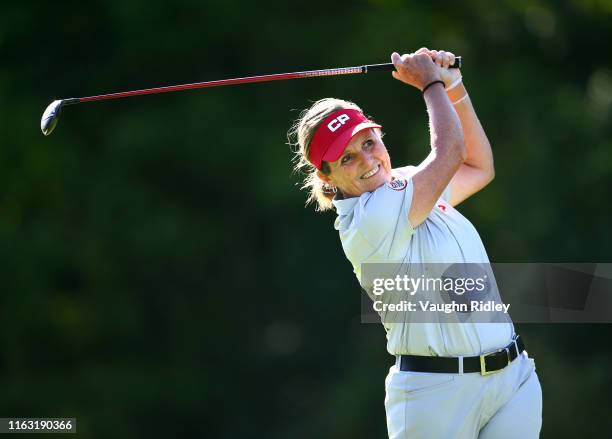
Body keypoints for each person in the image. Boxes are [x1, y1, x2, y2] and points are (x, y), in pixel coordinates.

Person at [288, 48, 543, 438]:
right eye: (347, 158)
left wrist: (453, 86)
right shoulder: (368, 221)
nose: (367, 160)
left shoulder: (407, 184)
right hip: (436, 398)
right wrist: (430, 83)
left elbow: (477, 166)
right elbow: (451, 152)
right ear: (327, 178)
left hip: (512, 380)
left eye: (369, 142)